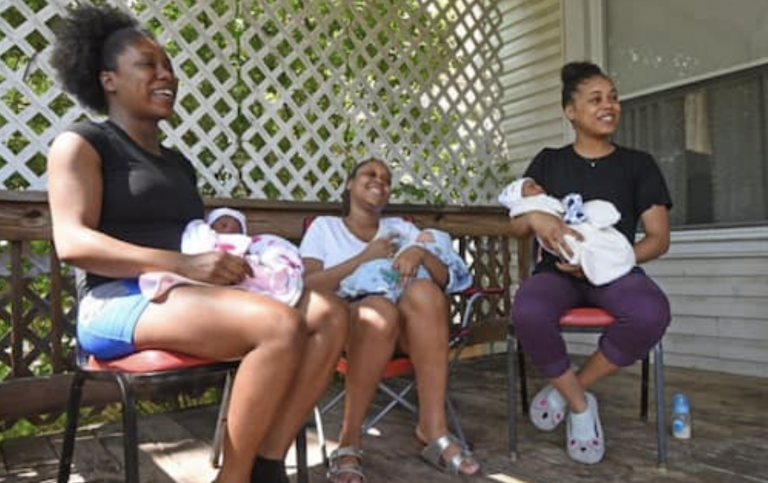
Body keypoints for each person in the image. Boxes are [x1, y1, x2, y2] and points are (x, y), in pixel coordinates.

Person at [45, 5, 348, 483]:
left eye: (168, 65)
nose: (165, 74)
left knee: (329, 313)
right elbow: (73, 243)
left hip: (179, 291)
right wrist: (185, 264)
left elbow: (192, 238)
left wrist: (225, 253)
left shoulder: (177, 163)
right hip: (113, 301)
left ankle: (267, 465)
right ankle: (234, 477)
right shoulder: (82, 144)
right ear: (109, 80)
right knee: (279, 326)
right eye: (148, 64)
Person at [508, 61, 673, 465]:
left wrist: (606, 262)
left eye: (613, 98)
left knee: (651, 314)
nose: (609, 106)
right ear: (570, 111)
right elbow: (516, 225)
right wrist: (534, 217)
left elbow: (658, 238)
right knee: (527, 311)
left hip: (616, 274)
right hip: (556, 272)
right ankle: (582, 408)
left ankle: (571, 389)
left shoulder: (638, 164)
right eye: (596, 99)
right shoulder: (548, 161)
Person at [300, 158, 480, 482]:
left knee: (424, 291)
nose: (379, 181)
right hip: (353, 327)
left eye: (386, 178)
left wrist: (421, 253)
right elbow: (307, 284)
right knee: (379, 312)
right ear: (349, 184)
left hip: (411, 330)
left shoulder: (403, 229)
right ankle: (349, 439)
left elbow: (442, 281)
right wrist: (364, 258)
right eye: (370, 174)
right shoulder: (325, 228)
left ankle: (432, 427)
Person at [139, 208, 304, 307]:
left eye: (236, 227)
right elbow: (195, 248)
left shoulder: (250, 245)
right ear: (210, 226)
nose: (230, 227)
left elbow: (266, 254)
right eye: (223, 224)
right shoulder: (203, 235)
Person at [498, 177, 636, 286]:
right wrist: (533, 217)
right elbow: (516, 226)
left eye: (537, 184)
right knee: (572, 241)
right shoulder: (525, 205)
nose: (539, 187)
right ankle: (590, 261)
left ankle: (612, 257)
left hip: (575, 223)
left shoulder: (547, 199)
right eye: (531, 187)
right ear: (519, 198)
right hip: (559, 244)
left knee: (600, 235)